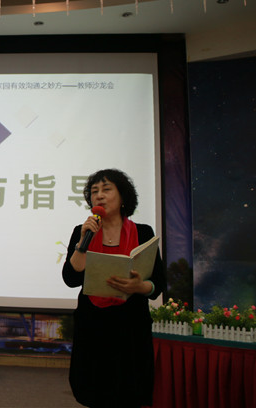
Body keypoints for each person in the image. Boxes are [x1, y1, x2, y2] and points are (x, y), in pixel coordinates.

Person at [62, 168, 165, 408]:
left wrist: (139, 286)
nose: (99, 195)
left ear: (122, 197)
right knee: (94, 394)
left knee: (129, 393)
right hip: (93, 328)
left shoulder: (143, 232)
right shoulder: (82, 231)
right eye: (94, 191)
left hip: (131, 328)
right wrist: (82, 243)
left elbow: (158, 284)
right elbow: (70, 278)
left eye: (106, 189)